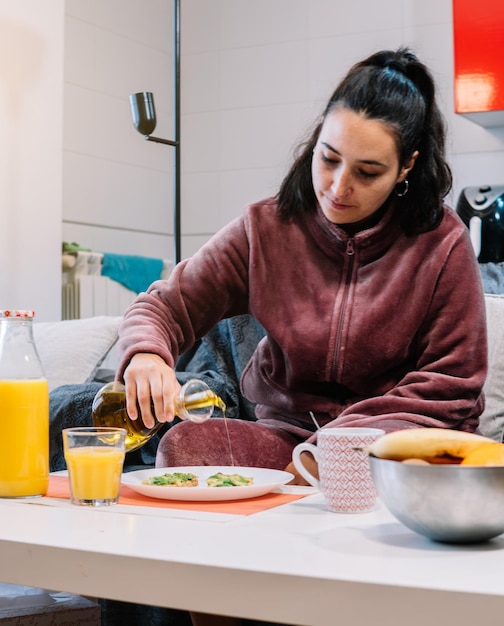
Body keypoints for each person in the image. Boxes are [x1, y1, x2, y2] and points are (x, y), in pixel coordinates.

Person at [115, 46, 487, 626]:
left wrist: (340, 444)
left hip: (389, 452)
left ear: (408, 166)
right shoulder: (266, 228)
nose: (338, 187)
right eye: (328, 158)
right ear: (315, 141)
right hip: (286, 442)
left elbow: (453, 384)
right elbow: (164, 305)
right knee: (182, 453)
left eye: (368, 173)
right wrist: (145, 354)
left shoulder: (442, 244)